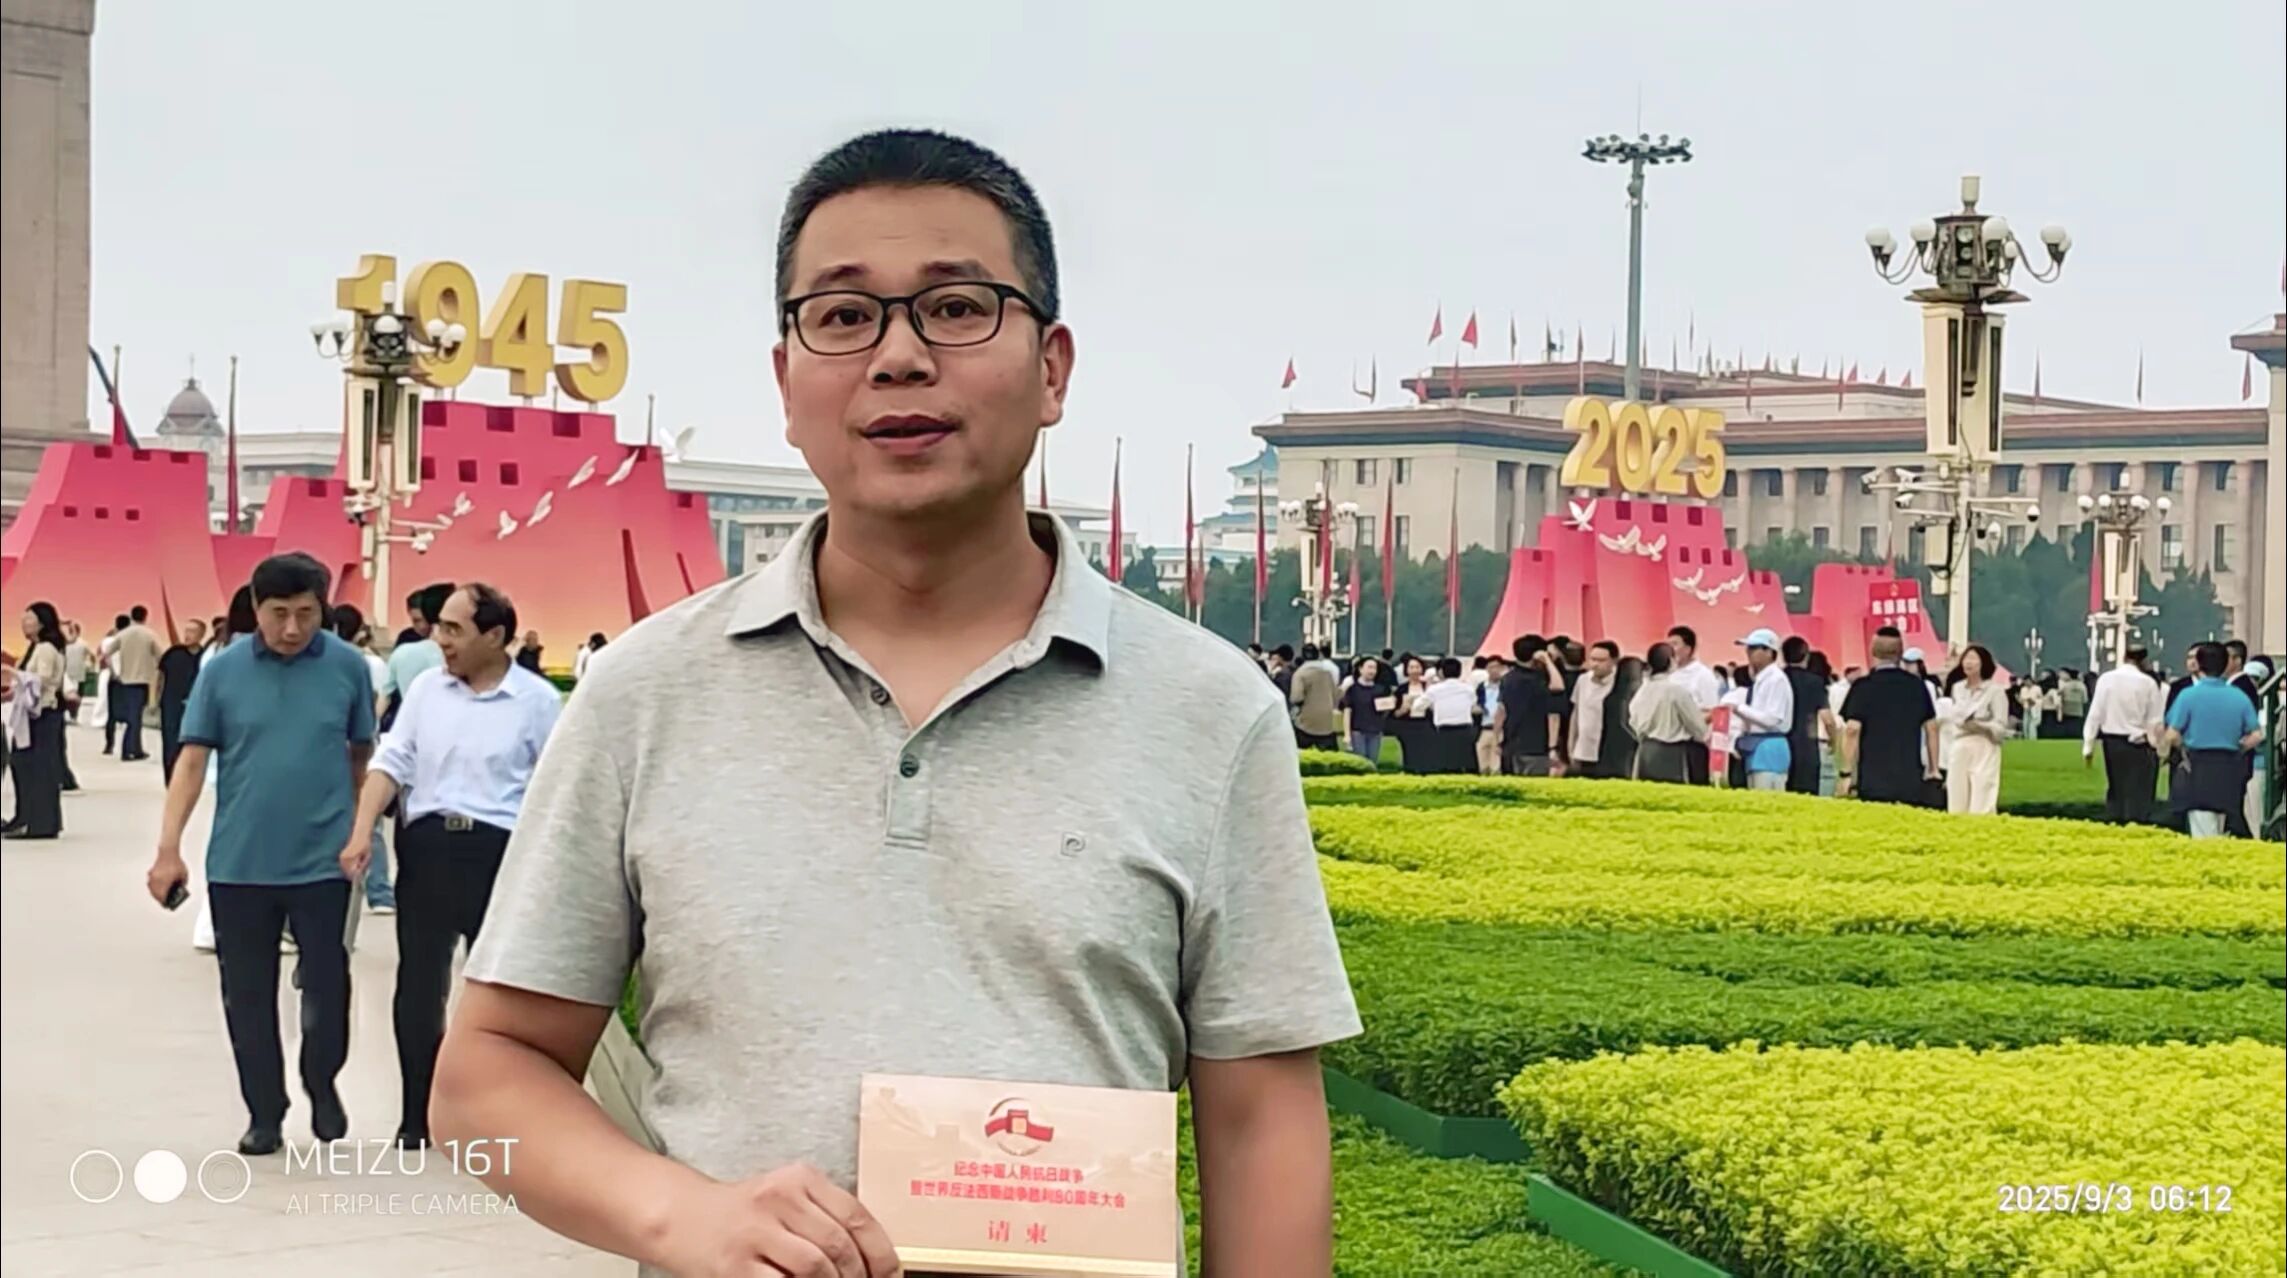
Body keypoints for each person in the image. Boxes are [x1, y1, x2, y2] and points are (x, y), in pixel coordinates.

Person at [431, 129, 1360, 1276]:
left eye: (957, 308)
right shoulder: (646, 693)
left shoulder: (1208, 711)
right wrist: (682, 1215)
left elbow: (1260, 1115)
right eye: (843, 316)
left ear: (1053, 367)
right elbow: (487, 1077)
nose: (900, 357)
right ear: (787, 382)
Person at [145, 553, 377, 1155]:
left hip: (324, 861)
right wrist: (168, 850)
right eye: (279, 614)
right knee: (245, 995)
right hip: (240, 864)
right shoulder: (222, 672)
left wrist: (362, 832)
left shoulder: (348, 668)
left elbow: (361, 757)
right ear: (255, 607)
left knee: (327, 982)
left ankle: (321, 1078)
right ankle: (265, 1111)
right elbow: (191, 761)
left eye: (306, 614)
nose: (293, 629)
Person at [341, 583, 561, 1149]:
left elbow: (555, 791)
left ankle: (493, 1120)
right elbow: (393, 760)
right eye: (440, 626)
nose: (440, 639)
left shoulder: (537, 702)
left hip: (500, 856)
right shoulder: (426, 690)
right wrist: (362, 831)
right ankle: (418, 1116)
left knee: (500, 994)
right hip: (429, 849)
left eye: (454, 629)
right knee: (418, 986)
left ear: (495, 636)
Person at [328, 605, 396, 916]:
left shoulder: (328, 664)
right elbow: (378, 702)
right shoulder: (370, 663)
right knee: (369, 821)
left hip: (333, 752)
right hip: (363, 748)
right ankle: (379, 891)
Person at [2164, 641, 2263, 839]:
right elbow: (2256, 734)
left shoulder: (2188, 695)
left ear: (2199, 665)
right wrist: (2239, 747)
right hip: (2229, 765)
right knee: (2221, 823)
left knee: (2202, 828)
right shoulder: (2239, 697)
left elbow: (2172, 734)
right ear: (2225, 664)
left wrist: (2183, 747)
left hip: (2197, 765)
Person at [1839, 627, 1941, 806]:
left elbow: (1852, 730)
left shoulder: (1863, 686)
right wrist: (1933, 768)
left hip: (1872, 775)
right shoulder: (1916, 686)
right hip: (1909, 774)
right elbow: (1931, 727)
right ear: (1900, 653)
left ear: (1872, 650)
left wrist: (1846, 773)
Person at [4, 602, 70, 839]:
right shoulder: (34, 648)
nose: (25, 624)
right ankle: (25, 817)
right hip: (29, 715)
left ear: (42, 623)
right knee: (24, 766)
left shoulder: (46, 649)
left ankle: (39, 823)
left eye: (30, 619)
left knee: (37, 769)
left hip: (41, 716)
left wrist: (12, 673)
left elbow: (40, 680)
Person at [2084, 646, 2166, 825]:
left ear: (2124, 657)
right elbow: (2155, 720)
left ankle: (2115, 823)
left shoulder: (2106, 679)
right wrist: (2158, 747)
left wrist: (2088, 746)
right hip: (2140, 742)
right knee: (2139, 791)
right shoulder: (2148, 683)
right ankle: (2136, 825)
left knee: (2116, 788)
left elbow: (2095, 713)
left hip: (2112, 742)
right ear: (2144, 661)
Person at [1942, 645, 2010, 814]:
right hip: (1960, 744)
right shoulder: (1957, 688)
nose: (1968, 663)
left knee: (1982, 795)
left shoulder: (1995, 691)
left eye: (1973, 659)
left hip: (1984, 744)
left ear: (1983, 663)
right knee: (1957, 795)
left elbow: (2000, 726)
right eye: (1966, 658)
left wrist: (1980, 726)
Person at [1629, 641, 1709, 783]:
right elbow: (1697, 728)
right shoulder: (1676, 691)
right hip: (1672, 752)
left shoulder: (1643, 690)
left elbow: (1633, 720)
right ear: (1672, 661)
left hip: (1645, 750)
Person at [1728, 629, 1795, 791]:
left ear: (1769, 652)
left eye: (1754, 648)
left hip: (1769, 746)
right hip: (1756, 746)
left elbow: (1773, 719)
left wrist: (1739, 708)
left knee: (1767, 797)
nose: (1748, 652)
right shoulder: (1761, 680)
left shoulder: (1776, 679)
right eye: (1748, 648)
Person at [381, 583, 454, 731]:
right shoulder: (407, 639)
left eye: (419, 620)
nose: (418, 626)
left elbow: (384, 696)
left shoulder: (403, 652)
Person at [1493, 635, 1562, 776]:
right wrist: (1548, 661)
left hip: (1510, 745)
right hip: (1536, 747)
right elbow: (1558, 687)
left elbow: (1501, 712)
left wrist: (1496, 740)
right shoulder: (1541, 679)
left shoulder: (1508, 678)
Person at [1665, 625, 1722, 784]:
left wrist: (1689, 721)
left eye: (1675, 644)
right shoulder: (1669, 674)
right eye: (1668, 645)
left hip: (1693, 743)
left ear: (1689, 648)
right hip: (1670, 742)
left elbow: (1713, 711)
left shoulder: (1703, 675)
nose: (1670, 649)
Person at [155, 618, 207, 784]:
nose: (187, 635)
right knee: (170, 741)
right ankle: (170, 778)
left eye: (192, 631)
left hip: (194, 704)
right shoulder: (173, 654)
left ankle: (186, 778)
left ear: (202, 635)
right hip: (171, 703)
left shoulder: (205, 656)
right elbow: (159, 676)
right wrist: (153, 698)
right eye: (186, 631)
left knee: (189, 743)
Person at [1566, 641, 1626, 779]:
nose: (1595, 664)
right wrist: (1571, 746)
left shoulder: (1620, 684)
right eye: (1593, 659)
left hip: (1609, 752)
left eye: (1601, 660)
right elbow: (1576, 713)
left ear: (1614, 661)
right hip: (1584, 750)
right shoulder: (1583, 680)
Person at [112, 604, 162, 762]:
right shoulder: (150, 634)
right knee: (135, 717)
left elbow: (107, 652)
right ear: (145, 616)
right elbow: (160, 655)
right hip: (142, 680)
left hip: (125, 680)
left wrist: (115, 671)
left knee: (134, 716)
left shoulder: (123, 634)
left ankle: (137, 748)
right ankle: (128, 750)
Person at [1780, 636, 1824, 795]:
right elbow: (1826, 717)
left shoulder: (1778, 678)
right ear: (1806, 655)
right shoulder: (1815, 682)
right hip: (1807, 746)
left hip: (1781, 742)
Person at [58, 619, 92, 790]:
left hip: (77, 674)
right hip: (68, 674)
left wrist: (88, 666)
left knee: (76, 697)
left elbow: (90, 656)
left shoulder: (82, 644)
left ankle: (74, 715)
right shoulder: (62, 644)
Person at [1338, 655, 1391, 764]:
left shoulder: (1381, 689)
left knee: (1372, 761)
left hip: (1375, 731)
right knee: (1360, 761)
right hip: (1358, 731)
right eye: (1369, 667)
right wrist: (1347, 734)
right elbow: (1347, 711)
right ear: (1360, 669)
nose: (1372, 671)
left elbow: (1385, 710)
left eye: (1374, 668)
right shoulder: (1353, 689)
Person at [1288, 642, 1340, 751]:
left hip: (1307, 721)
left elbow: (1296, 697)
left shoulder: (1300, 674)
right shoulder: (1327, 673)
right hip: (1327, 720)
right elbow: (1336, 695)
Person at [1475, 655, 1508, 774]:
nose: (1494, 670)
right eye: (1491, 667)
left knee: (1496, 766)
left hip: (1501, 729)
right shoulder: (1481, 687)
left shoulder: (1506, 686)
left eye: (1497, 667)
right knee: (1482, 764)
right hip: (1485, 727)